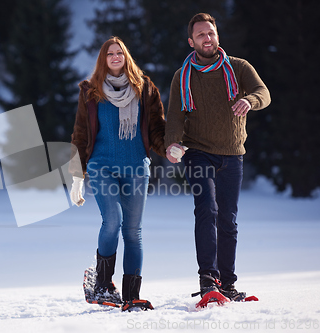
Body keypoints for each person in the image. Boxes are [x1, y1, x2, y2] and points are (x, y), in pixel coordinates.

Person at [165, 13, 271, 301]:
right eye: (201, 35)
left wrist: (249, 100)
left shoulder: (238, 68)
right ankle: (207, 282)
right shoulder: (182, 76)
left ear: (217, 36)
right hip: (197, 152)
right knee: (207, 210)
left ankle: (227, 284)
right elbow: (175, 115)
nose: (207, 38)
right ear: (191, 41)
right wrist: (172, 143)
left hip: (233, 154)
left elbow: (263, 92)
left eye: (210, 33)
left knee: (228, 220)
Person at [69, 36, 166, 310]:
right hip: (102, 166)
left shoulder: (144, 89)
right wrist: (77, 175)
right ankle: (102, 285)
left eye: (119, 53)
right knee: (112, 222)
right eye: (109, 53)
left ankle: (131, 295)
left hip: (136, 167)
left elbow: (157, 129)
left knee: (133, 232)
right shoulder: (91, 91)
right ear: (103, 59)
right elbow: (80, 134)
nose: (115, 57)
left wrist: (169, 148)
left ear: (126, 57)